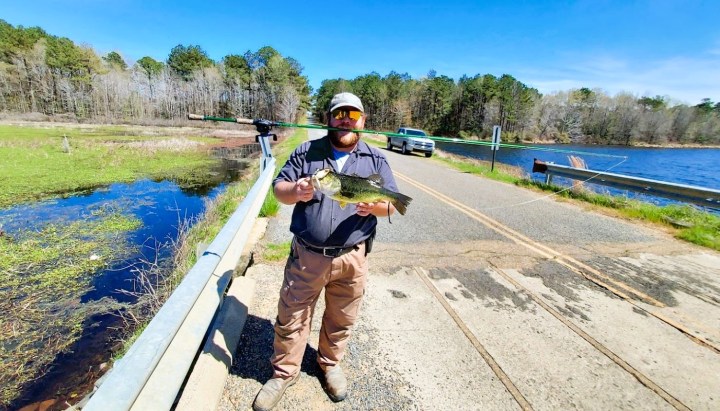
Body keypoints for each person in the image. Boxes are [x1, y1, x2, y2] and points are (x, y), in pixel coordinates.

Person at [252, 92, 401, 411]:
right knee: (291, 315)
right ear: (328, 118)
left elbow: (391, 205)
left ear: (362, 121)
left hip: (352, 257)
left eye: (353, 114)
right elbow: (280, 189)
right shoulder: (307, 152)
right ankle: (283, 373)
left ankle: (330, 364)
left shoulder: (376, 160)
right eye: (339, 113)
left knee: (342, 317)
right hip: (308, 255)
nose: (345, 118)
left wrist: (374, 207)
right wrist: (296, 191)